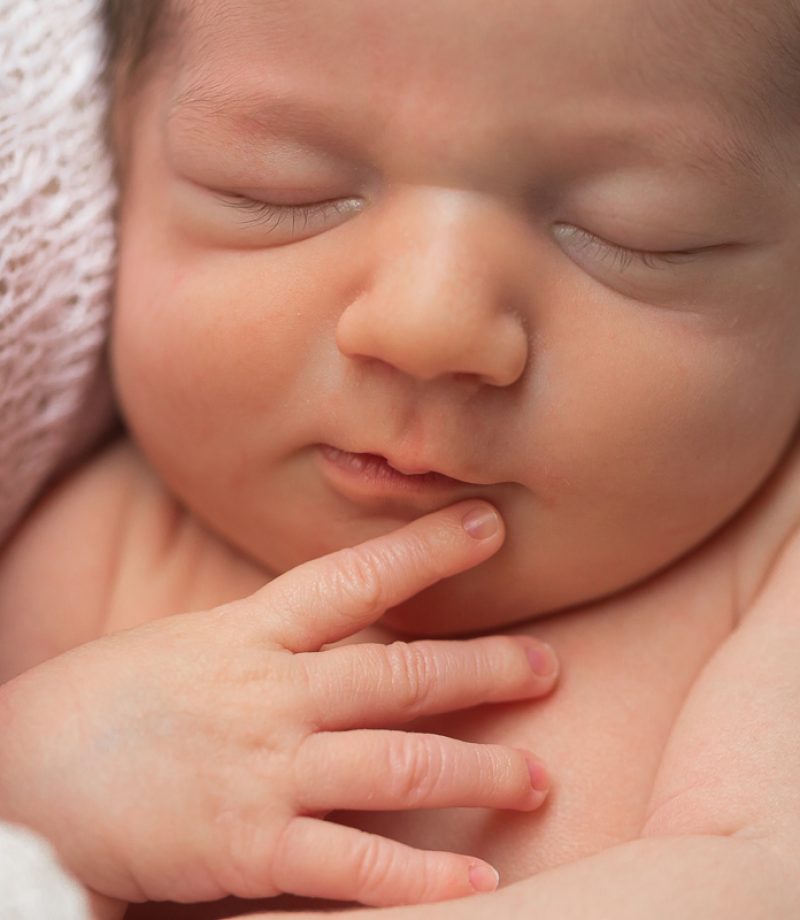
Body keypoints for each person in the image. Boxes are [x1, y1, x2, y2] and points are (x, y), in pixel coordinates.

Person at [4, 0, 800, 919]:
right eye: (281, 188)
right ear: (117, 157)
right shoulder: (79, 559)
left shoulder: (773, 557)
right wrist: (37, 785)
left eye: (638, 231)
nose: (428, 325)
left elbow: (769, 881)